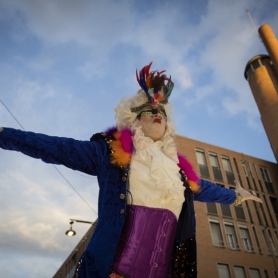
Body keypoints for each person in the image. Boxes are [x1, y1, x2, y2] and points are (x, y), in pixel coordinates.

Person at [0, 62, 262, 278]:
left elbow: (207, 189)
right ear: (134, 118)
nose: (157, 114)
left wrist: (237, 196)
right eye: (149, 110)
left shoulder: (179, 173)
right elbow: (56, 147)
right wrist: (5, 135)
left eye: (161, 111)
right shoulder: (112, 153)